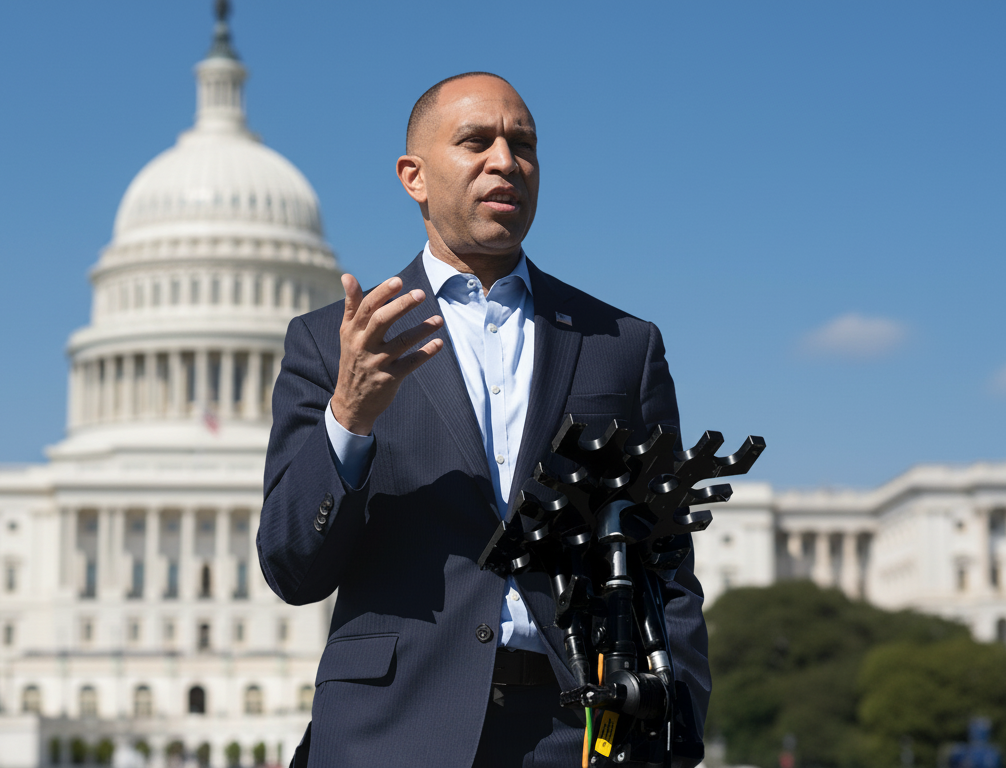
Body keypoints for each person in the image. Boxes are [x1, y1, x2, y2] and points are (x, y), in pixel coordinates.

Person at [258, 72, 709, 767]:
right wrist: (348, 417)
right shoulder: (333, 342)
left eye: (523, 145)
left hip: (577, 735)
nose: (506, 161)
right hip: (390, 731)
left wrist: (674, 732)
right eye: (476, 141)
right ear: (414, 176)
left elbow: (666, 566)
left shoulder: (621, 344)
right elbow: (293, 568)